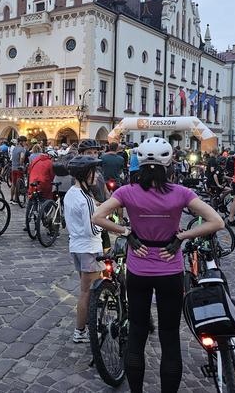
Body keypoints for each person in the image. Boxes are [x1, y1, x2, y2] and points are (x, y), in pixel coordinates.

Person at [91, 137, 224, 393]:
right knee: (170, 337)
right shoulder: (181, 193)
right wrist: (181, 236)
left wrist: (126, 232)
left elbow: (97, 216)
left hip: (139, 271)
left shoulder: (126, 192)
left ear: (139, 165)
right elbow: (216, 222)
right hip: (170, 270)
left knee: (138, 335)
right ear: (169, 163)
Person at [64, 155, 131, 344]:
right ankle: (81, 331)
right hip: (89, 247)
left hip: (76, 246)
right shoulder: (84, 198)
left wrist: (102, 207)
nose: (96, 176)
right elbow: (92, 227)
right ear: (85, 174)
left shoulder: (72, 193)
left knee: (87, 289)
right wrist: (113, 227)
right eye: (93, 172)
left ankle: (85, 327)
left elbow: (87, 211)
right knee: (88, 293)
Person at [10, 136, 28, 203]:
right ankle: (16, 199)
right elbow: (22, 157)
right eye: (25, 142)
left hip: (13, 168)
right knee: (18, 184)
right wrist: (21, 164)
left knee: (13, 184)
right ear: (21, 142)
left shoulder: (14, 148)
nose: (25, 143)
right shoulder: (22, 149)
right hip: (18, 168)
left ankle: (11, 198)